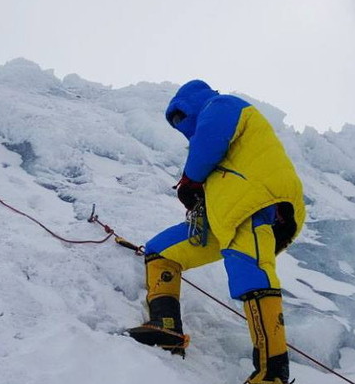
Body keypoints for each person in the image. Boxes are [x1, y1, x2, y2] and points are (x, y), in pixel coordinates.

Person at [127, 80, 305, 384]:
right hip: (227, 215)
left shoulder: (223, 106)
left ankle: (272, 373)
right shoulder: (221, 148)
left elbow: (209, 142)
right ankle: (166, 324)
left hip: (259, 204)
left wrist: (189, 181)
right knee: (160, 251)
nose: (181, 125)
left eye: (181, 116)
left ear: (193, 101)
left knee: (249, 269)